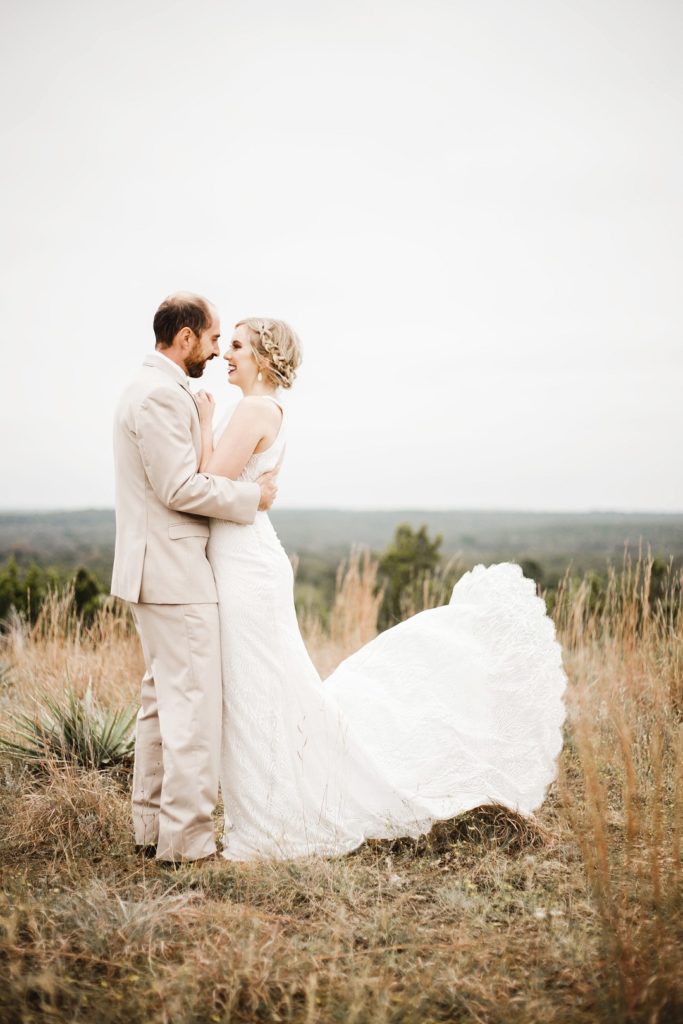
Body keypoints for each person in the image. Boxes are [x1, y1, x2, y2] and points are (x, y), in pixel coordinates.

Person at [199, 318, 567, 861]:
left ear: (262, 355)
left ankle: (275, 813)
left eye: (235, 345)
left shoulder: (252, 409)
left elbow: (206, 480)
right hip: (248, 558)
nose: (224, 354)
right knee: (264, 689)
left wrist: (204, 421)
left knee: (259, 690)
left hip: (245, 566)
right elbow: (235, 486)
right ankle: (268, 805)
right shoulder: (270, 409)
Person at [111, 293, 278, 864]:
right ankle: (187, 844)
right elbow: (179, 488)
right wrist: (252, 497)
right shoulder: (159, 394)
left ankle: (152, 828)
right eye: (211, 340)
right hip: (173, 571)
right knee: (193, 705)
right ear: (184, 339)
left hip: (158, 567)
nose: (214, 350)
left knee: (163, 701)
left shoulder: (150, 387)